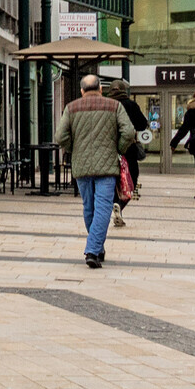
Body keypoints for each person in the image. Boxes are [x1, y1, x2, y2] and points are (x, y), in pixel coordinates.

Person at [54, 75, 134, 269]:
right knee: (103, 207)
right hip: (107, 166)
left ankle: (97, 247)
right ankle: (93, 250)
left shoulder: (71, 108)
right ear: (100, 89)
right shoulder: (114, 106)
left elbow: (60, 136)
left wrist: (74, 148)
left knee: (89, 207)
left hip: (81, 166)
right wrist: (119, 148)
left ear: (82, 90)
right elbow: (129, 132)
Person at [103, 81, 150, 226]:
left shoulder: (105, 106)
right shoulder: (131, 105)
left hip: (107, 148)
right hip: (128, 149)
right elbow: (142, 124)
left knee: (110, 181)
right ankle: (120, 204)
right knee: (131, 180)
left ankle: (114, 205)